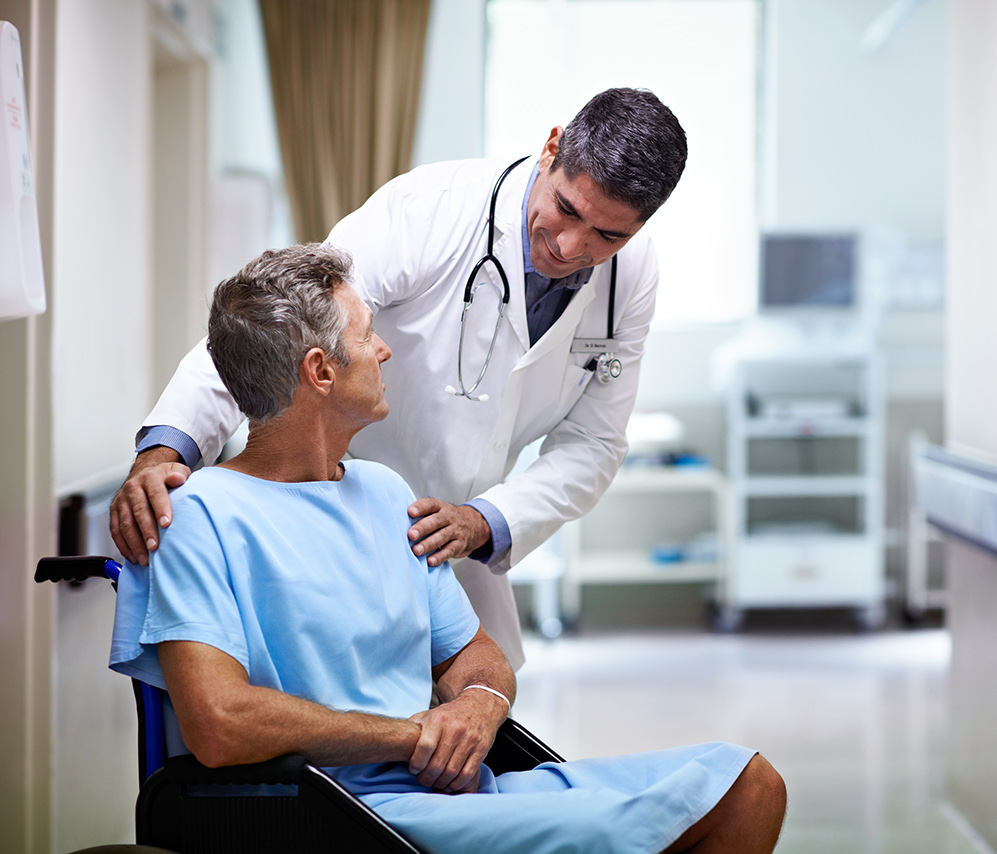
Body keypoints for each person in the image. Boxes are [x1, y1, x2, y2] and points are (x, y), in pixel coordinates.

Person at [109, 244, 786, 854]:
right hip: (350, 812)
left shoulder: (382, 491)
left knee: (749, 785)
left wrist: (477, 705)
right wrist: (411, 736)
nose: (384, 352)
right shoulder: (200, 516)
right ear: (320, 371)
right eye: (369, 336)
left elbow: (473, 653)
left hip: (459, 791)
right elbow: (220, 723)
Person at [110, 88, 689, 668]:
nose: (570, 246)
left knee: (482, 711)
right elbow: (277, 322)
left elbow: (594, 443)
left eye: (608, 236)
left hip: (447, 546)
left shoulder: (631, 279)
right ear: (551, 148)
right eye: (567, 209)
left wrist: (485, 521)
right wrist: (167, 448)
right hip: (327, 506)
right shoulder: (430, 209)